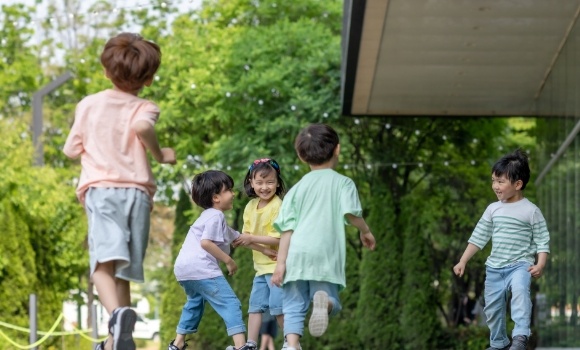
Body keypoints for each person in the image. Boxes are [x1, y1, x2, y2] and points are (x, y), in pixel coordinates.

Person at [63, 32, 176, 350]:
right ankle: (116, 340)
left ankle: (116, 316)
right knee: (122, 270)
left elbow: (72, 149)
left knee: (101, 266)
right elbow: (142, 127)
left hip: (102, 191)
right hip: (138, 196)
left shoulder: (88, 104)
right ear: (149, 78)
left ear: (106, 71)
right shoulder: (146, 106)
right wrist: (160, 154)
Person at [271, 123, 377, 350]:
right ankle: (326, 303)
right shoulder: (343, 183)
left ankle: (292, 345)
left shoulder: (296, 189)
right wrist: (365, 231)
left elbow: (286, 230)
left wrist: (280, 264)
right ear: (337, 149)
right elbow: (351, 213)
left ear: (301, 156)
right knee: (329, 296)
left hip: (297, 254)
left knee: (293, 303)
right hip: (325, 253)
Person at [168, 170, 277, 350]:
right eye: (229, 190)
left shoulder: (210, 218)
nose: (233, 194)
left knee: (194, 303)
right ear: (216, 197)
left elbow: (240, 239)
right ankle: (241, 346)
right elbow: (206, 243)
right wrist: (228, 260)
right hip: (201, 269)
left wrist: (265, 250)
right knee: (230, 303)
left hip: (183, 271)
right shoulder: (216, 216)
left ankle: (177, 344)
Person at [453, 149, 550, 350]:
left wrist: (540, 264)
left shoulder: (531, 210)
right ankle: (498, 343)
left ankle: (521, 336)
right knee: (493, 309)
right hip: (495, 268)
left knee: (520, 292)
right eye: (493, 181)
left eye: (500, 181)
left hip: (520, 265)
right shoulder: (493, 209)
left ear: (518, 184)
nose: (495, 186)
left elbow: (542, 240)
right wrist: (463, 260)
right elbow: (479, 236)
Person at [232, 158, 285, 348]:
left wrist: (252, 239)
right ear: (251, 183)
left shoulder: (278, 205)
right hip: (260, 269)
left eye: (270, 182)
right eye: (259, 182)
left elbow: (278, 239)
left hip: (277, 268)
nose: (265, 187)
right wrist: (260, 247)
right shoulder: (249, 207)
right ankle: (251, 344)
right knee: (255, 307)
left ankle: (291, 343)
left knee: (278, 308)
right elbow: (247, 239)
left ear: (277, 183)